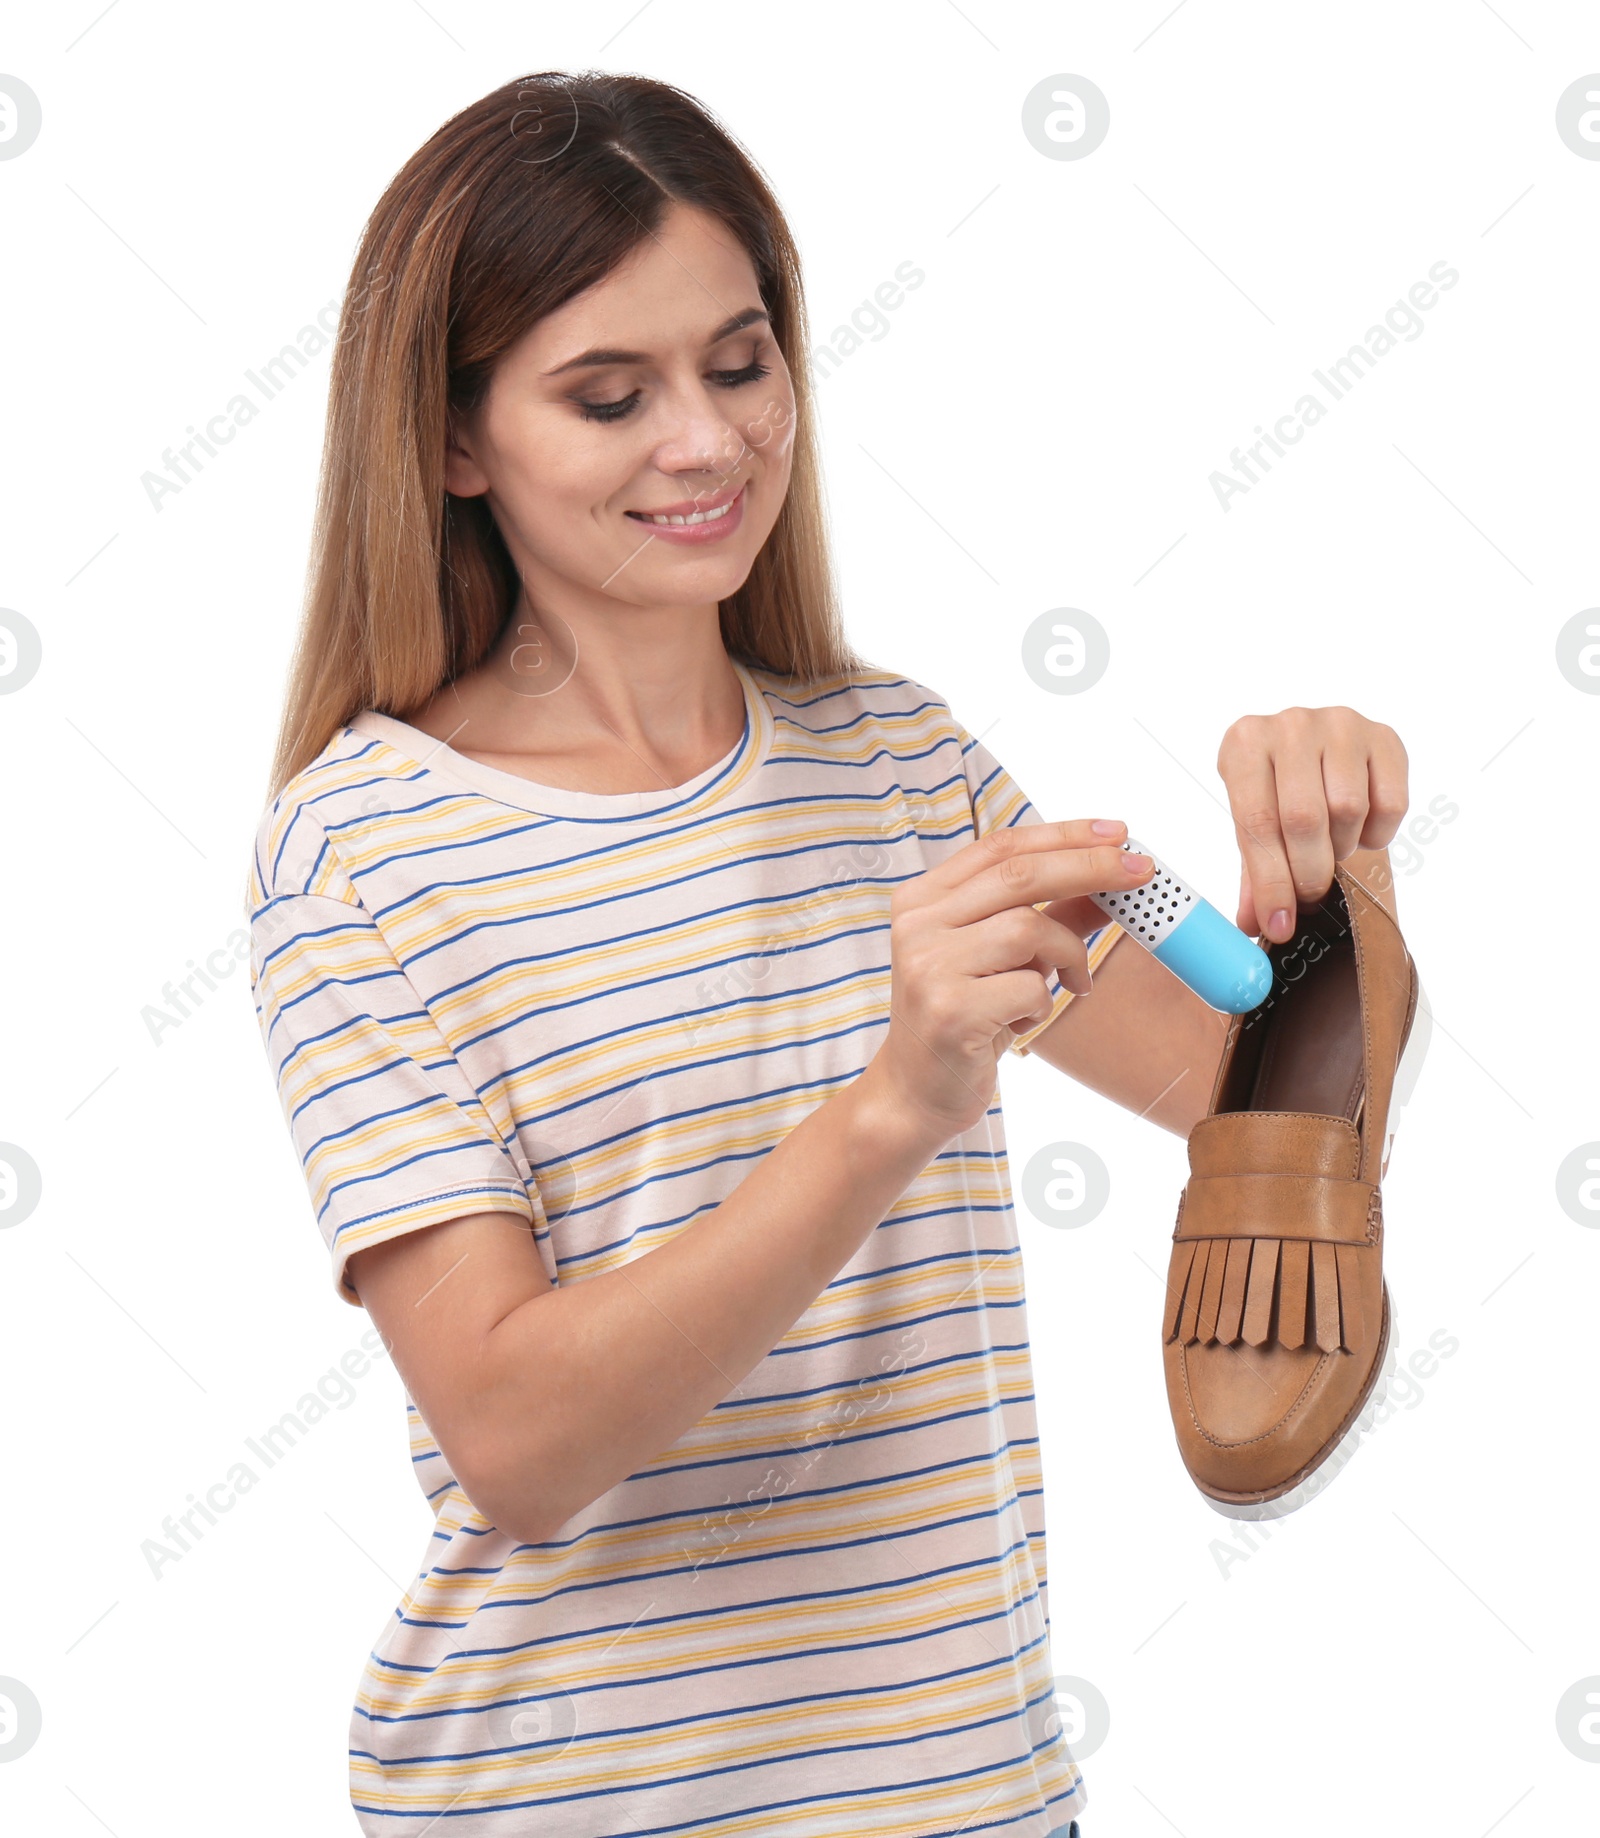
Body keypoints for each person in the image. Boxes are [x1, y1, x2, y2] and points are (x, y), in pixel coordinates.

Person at [246, 69, 1409, 1838]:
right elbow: (519, 1440)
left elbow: (1261, 1110)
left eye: (739, 359)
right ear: (459, 440)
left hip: (971, 1797)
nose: (708, 441)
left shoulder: (901, 763)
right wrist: (891, 1107)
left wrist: (1330, 877)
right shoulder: (362, 850)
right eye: (607, 393)